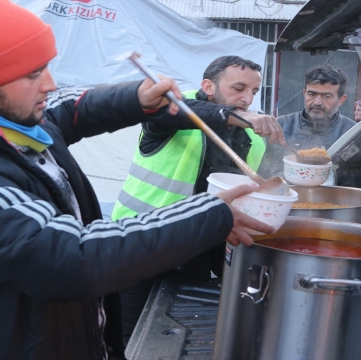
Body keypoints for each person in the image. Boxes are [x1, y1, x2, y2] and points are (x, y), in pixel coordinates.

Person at [0, 1, 275, 359]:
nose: (50, 84)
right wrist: (210, 215)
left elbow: (70, 112)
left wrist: (136, 97)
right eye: (34, 74)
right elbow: (70, 259)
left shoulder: (10, 119)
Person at [111, 55, 284, 344]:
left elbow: (262, 181)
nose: (247, 99)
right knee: (124, 338)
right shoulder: (169, 109)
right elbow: (179, 111)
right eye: (239, 88)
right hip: (140, 242)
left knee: (178, 334)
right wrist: (239, 114)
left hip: (200, 245)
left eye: (253, 91)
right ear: (208, 85)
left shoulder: (253, 134)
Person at [258, 64, 356, 178]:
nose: (317, 102)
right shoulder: (281, 125)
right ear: (304, 93)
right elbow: (264, 172)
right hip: (284, 192)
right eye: (312, 94)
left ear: (341, 100)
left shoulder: (352, 133)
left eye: (327, 96)